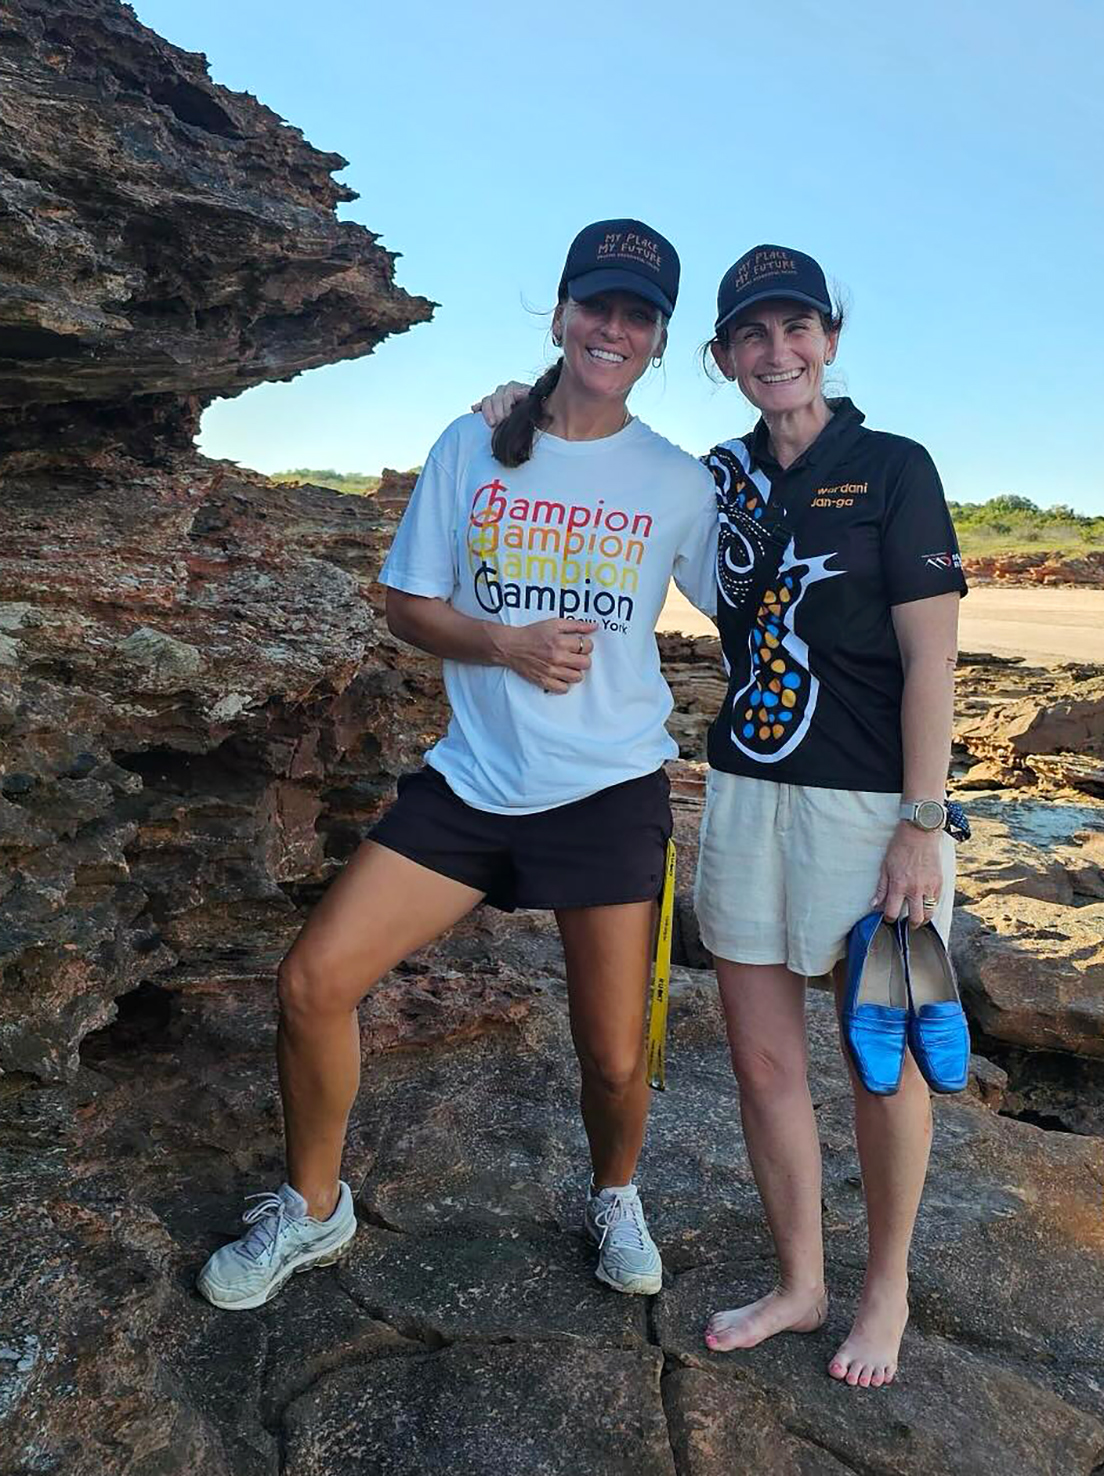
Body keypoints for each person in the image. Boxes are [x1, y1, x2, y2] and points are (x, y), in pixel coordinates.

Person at [196, 218, 719, 1312]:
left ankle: (615, 1193)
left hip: (607, 795)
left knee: (615, 1056)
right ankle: (314, 1206)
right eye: (597, 305)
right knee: (312, 983)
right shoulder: (472, 444)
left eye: (638, 316)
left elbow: (761, 604)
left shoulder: (678, 482)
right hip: (471, 787)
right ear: (561, 313)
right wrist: (503, 644)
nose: (613, 329)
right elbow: (407, 606)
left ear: (660, 339)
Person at [475, 243, 967, 1389]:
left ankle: (884, 1289)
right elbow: (602, 481)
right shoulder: (718, 477)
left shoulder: (895, 468)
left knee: (883, 1061)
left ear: (829, 340)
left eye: (796, 328)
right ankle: (800, 1284)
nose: (775, 351)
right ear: (722, 356)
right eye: (751, 334)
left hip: (869, 810)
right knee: (761, 1062)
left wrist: (922, 822)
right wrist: (519, 410)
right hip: (745, 792)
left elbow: (933, 662)